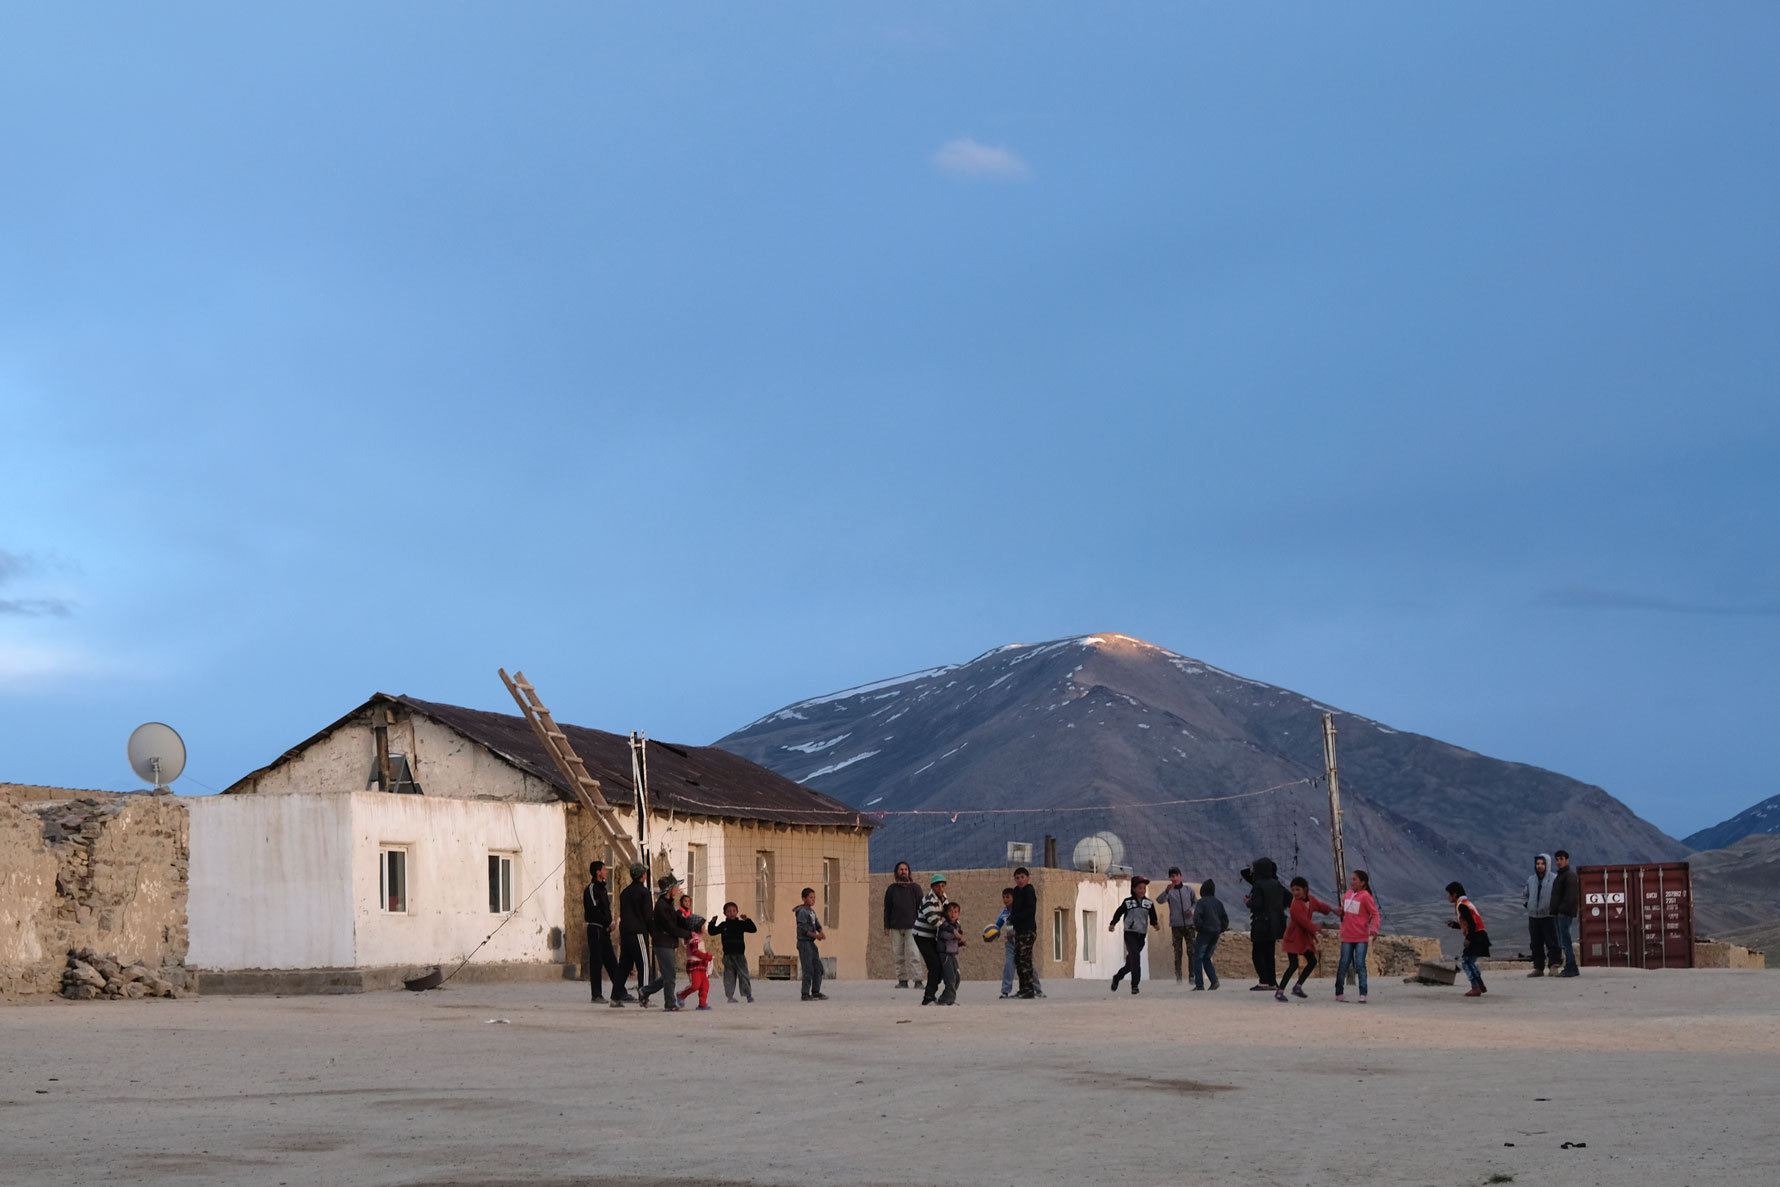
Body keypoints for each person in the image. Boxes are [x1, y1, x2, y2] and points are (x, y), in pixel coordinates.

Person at [639, 874, 694, 1012]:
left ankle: (645, 991)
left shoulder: (669, 904)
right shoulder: (661, 906)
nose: (677, 888)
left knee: (667, 975)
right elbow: (671, 927)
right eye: (675, 886)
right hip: (662, 943)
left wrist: (692, 924)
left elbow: (677, 919)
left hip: (668, 943)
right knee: (670, 976)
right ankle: (669, 1003)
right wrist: (687, 934)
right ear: (669, 889)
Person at [1278, 876, 1335, 1001]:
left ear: (1305, 889)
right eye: (1293, 890)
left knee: (1312, 961)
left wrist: (1332, 910)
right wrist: (1319, 930)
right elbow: (1304, 922)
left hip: (1303, 939)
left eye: (1298, 890)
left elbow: (1320, 906)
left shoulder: (1311, 900)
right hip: (1293, 938)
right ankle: (1280, 991)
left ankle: (1298, 986)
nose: (1295, 893)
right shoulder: (1295, 906)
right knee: (1293, 965)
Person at [1109, 875, 1160, 995]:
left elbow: (1153, 916)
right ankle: (1135, 985)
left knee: (1131, 963)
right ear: (1134, 889)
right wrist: (1113, 923)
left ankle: (1117, 977)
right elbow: (1119, 912)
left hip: (1141, 936)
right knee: (1135, 957)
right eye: (1140, 888)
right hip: (1130, 934)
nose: (1142, 890)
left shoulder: (1148, 903)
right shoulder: (1128, 902)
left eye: (1144, 888)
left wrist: (1155, 924)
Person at [1334, 869, 1379, 1003]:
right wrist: (1338, 911)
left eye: (1354, 879)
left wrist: (1374, 928)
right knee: (1343, 964)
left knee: (1360, 964)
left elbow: (1375, 914)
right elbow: (1344, 912)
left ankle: (1363, 993)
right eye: (1351, 879)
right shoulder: (1347, 894)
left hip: (1360, 937)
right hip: (1347, 936)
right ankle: (1339, 992)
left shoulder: (1366, 897)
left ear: (1362, 882)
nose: (1351, 881)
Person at [1244, 857, 1289, 991]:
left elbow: (1257, 903)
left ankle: (1263, 981)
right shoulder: (1276, 884)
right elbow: (1288, 898)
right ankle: (1272, 982)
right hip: (1275, 924)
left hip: (1261, 923)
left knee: (1257, 953)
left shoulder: (1259, 885)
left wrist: (1248, 902)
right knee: (1270, 953)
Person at [612, 862, 653, 1008]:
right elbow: (648, 916)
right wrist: (653, 931)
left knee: (624, 966)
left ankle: (615, 997)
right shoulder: (644, 893)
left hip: (626, 933)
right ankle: (644, 997)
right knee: (644, 966)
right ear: (643, 876)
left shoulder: (625, 892)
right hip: (639, 933)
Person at [582, 861, 622, 1005]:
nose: (606, 872)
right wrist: (607, 923)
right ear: (598, 872)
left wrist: (610, 923)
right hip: (595, 929)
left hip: (604, 930)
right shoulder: (591, 889)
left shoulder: (603, 889)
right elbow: (594, 910)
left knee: (611, 961)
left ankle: (620, 992)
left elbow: (606, 910)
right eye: (605, 869)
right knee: (596, 962)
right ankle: (596, 994)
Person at [883, 861, 924, 989]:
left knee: (914, 953)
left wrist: (922, 925)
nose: (904, 872)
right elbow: (887, 909)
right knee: (898, 954)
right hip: (895, 926)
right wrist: (886, 926)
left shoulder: (915, 888)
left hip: (913, 927)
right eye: (901, 869)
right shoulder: (891, 889)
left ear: (909, 872)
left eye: (906, 869)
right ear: (896, 872)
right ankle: (902, 980)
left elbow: (921, 908)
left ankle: (918, 980)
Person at [1447, 881, 1491, 997]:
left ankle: (1475, 987)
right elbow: (1468, 923)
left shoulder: (1462, 905)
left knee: (1466, 962)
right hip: (1479, 935)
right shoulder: (1464, 903)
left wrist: (1469, 939)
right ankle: (1480, 985)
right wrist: (1455, 925)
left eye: (1448, 894)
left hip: (1476, 936)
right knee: (1470, 961)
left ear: (1454, 894)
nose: (1447, 897)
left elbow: (1472, 923)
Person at [1156, 867, 1199, 985]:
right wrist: (1166, 891)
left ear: (1180, 876)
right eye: (1171, 876)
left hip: (1189, 925)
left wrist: (1191, 910)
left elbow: (1195, 902)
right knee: (1177, 952)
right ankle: (1178, 977)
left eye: (1176, 876)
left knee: (1191, 951)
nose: (1174, 878)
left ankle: (1192, 975)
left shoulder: (1188, 890)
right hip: (1176, 926)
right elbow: (1159, 900)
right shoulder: (1169, 892)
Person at [708, 902, 757, 1004]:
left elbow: (753, 929)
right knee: (729, 976)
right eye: (729, 911)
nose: (731, 913)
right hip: (728, 955)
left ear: (737, 912)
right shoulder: (723, 925)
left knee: (743, 975)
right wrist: (712, 922)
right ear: (725, 913)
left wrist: (747, 920)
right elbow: (712, 931)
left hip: (740, 955)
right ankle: (730, 996)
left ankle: (748, 995)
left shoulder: (740, 924)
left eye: (734, 911)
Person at [913, 874, 949, 1005]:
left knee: (938, 965)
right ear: (932, 887)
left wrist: (956, 925)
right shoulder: (928, 899)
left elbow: (949, 914)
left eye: (943, 885)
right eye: (938, 886)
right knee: (934, 966)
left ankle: (932, 995)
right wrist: (952, 931)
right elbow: (933, 920)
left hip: (932, 936)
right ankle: (928, 997)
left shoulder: (944, 898)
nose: (940, 888)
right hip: (922, 936)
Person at [1524, 853, 1562, 976]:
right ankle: (1538, 967)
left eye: (1542, 864)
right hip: (1534, 916)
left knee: (1552, 942)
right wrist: (1527, 904)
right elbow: (1525, 894)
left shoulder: (1554, 879)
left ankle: (1554, 965)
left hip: (1549, 916)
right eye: (1538, 864)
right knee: (1535, 943)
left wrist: (1554, 908)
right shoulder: (1531, 880)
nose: (1540, 866)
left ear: (1547, 865)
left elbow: (1558, 896)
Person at [1010, 866, 1044, 999]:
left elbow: (1030, 911)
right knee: (1018, 959)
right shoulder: (1016, 892)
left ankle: (1029, 989)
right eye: (1017, 878)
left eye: (1022, 877)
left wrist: (1015, 918)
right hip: (1019, 931)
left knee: (1025, 959)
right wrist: (1010, 928)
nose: (1020, 880)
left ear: (1028, 878)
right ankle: (1023, 988)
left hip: (1028, 930)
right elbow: (1013, 912)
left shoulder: (1029, 891)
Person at [1191, 880, 1228, 990]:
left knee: (1198, 958)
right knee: (1207, 957)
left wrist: (1200, 928)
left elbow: (1197, 917)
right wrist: (1220, 929)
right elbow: (1225, 919)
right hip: (1215, 933)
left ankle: (1199, 985)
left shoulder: (1201, 902)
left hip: (1204, 933)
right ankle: (1214, 980)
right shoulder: (1218, 903)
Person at [1550, 850, 1581, 977]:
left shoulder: (1570, 876)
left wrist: (1562, 910)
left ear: (1567, 860)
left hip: (1564, 914)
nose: (1559, 862)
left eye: (1561, 859)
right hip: (1559, 913)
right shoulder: (1561, 876)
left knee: (1566, 941)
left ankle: (1571, 967)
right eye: (1557, 859)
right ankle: (1570, 966)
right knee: (1564, 941)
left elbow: (1571, 897)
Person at [795, 886, 827, 1001]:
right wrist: (816, 936)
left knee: (818, 968)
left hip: (811, 944)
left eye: (814, 897)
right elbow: (803, 929)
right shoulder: (802, 912)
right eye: (810, 897)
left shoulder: (811, 911)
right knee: (808, 968)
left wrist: (821, 932)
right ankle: (805, 993)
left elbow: (817, 924)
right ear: (804, 899)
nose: (813, 900)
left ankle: (816, 991)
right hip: (804, 943)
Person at [677, 914, 713, 1010]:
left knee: (705, 985)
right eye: (703, 925)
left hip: (702, 966)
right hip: (694, 966)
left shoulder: (698, 938)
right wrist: (706, 956)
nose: (704, 927)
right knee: (695, 985)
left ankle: (702, 1003)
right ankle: (681, 995)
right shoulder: (693, 939)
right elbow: (695, 951)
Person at [935, 901, 967, 1005]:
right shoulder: (945, 925)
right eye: (950, 911)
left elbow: (956, 940)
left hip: (952, 955)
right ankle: (949, 1000)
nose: (953, 914)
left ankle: (944, 998)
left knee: (957, 977)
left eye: (955, 912)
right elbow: (945, 936)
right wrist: (956, 936)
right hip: (945, 955)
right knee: (950, 978)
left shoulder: (957, 925)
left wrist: (960, 942)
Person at [992, 887, 1017, 998]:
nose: (1005, 899)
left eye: (1008, 897)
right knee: (1008, 965)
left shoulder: (1018, 910)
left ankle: (1036, 988)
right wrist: (991, 934)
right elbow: (998, 925)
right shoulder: (1004, 912)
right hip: (1010, 943)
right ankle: (1005, 990)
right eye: (1003, 897)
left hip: (1021, 941)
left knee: (1027, 965)